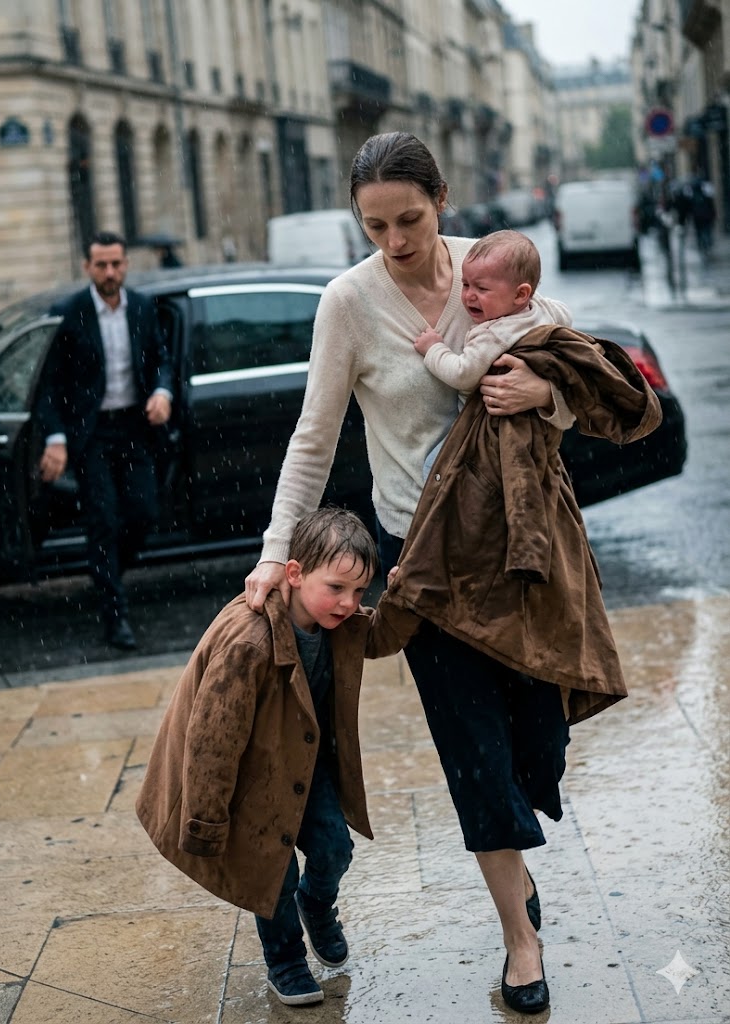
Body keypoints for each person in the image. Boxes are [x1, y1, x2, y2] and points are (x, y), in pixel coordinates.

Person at [244, 132, 658, 1016]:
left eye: (410, 218)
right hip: (423, 567)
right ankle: (520, 939)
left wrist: (544, 398)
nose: (394, 240)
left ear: (443, 200)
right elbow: (313, 439)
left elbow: (585, 379)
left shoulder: (500, 272)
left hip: (522, 554)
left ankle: (515, 866)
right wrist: (276, 553)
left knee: (537, 750)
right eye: (375, 225)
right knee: (474, 758)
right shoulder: (348, 304)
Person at [136, 507, 412, 1006]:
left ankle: (319, 905)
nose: (349, 604)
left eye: (359, 592)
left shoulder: (337, 620)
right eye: (336, 588)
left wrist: (404, 596)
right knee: (273, 872)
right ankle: (284, 961)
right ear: (294, 573)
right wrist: (205, 819)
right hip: (252, 777)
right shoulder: (249, 641)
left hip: (306, 765)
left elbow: (380, 635)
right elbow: (212, 739)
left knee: (334, 848)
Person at [35, 230, 173, 650]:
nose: (110, 272)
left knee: (144, 514)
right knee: (103, 521)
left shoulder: (143, 307)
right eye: (101, 265)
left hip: (135, 427)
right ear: (87, 267)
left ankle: (107, 572)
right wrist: (56, 438)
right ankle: (115, 616)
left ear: (126, 264)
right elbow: (49, 383)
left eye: (116, 264)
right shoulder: (69, 312)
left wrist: (162, 393)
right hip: (91, 434)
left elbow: (162, 359)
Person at [414, 229, 571, 480]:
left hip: (487, 432)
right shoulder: (544, 309)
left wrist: (433, 349)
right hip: (537, 432)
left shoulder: (493, 334)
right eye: (465, 284)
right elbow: (565, 315)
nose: (469, 296)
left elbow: (462, 373)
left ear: (521, 294)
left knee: (433, 468)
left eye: (482, 289)